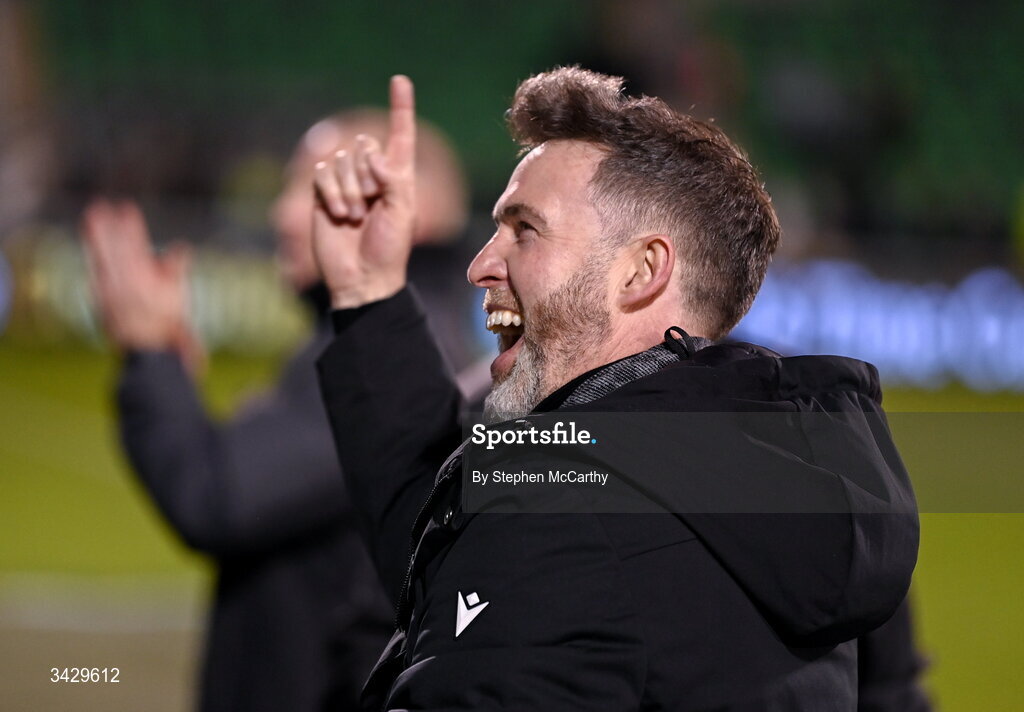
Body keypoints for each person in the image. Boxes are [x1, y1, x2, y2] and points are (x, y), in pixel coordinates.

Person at [312, 70, 920, 710]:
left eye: (525, 229)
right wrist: (367, 293)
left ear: (641, 272)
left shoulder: (564, 517)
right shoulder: (752, 485)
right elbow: (442, 557)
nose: (480, 264)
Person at [80, 109, 479, 712]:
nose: (282, 215)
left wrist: (151, 354)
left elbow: (216, 495)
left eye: (315, 189)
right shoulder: (394, 341)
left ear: (404, 207)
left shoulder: (393, 359)